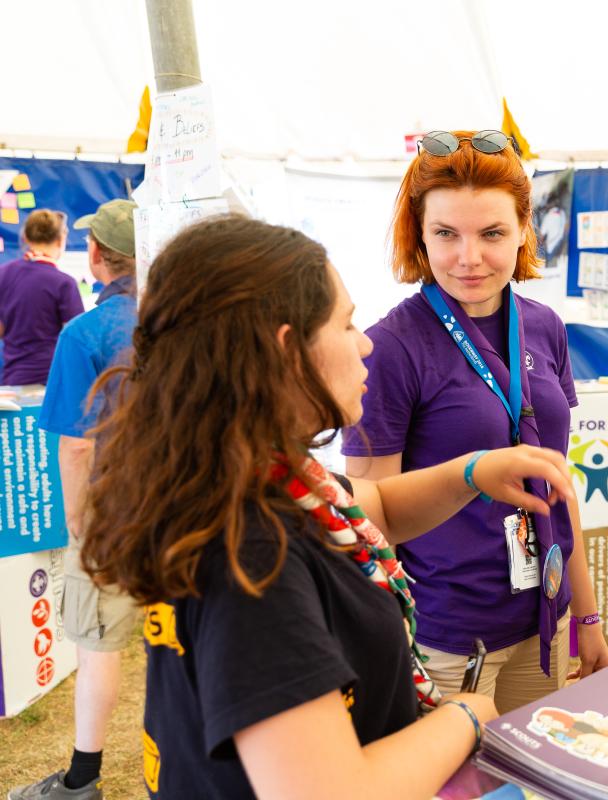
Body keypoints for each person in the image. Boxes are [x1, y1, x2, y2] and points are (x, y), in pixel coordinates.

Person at [73, 215, 577, 799]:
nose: (365, 342)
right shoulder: (254, 554)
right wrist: (465, 717)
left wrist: (473, 472)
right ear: (288, 351)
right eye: (346, 323)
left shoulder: (262, 481)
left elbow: (377, 504)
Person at [343, 129, 608, 711]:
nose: (469, 258)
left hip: (544, 615)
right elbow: (371, 517)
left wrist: (585, 613)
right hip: (448, 637)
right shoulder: (389, 347)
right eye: (445, 234)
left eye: (492, 233)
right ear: (420, 235)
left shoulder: (543, 326)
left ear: (522, 231)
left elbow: (559, 486)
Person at [9, 200, 138, 800]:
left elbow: (76, 449)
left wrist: (76, 520)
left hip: (113, 508)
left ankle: (81, 780)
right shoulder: (188, 321)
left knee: (98, 643)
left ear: (95, 256)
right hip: (188, 504)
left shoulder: (86, 333)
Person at [0, 209, 84, 385]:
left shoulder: (3, 275)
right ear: (61, 241)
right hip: (53, 380)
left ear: (25, 239)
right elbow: (76, 340)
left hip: (13, 379)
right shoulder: (64, 283)